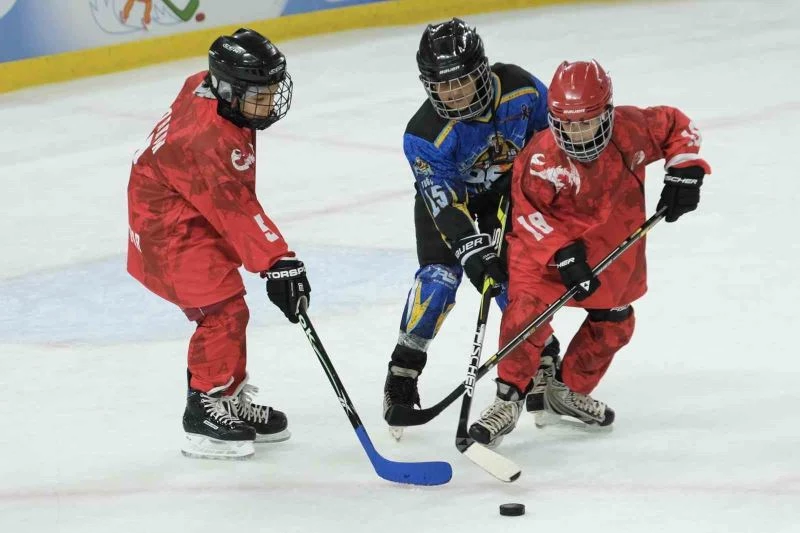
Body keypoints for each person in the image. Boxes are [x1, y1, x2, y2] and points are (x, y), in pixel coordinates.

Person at [468, 59, 711, 446]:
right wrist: (562, 254)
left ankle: (561, 392)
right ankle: (508, 397)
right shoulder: (540, 158)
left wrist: (685, 170)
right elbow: (527, 217)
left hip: (609, 243)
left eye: (587, 122)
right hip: (544, 251)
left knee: (616, 322)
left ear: (608, 112)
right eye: (567, 124)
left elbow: (677, 126)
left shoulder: (633, 130)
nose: (577, 134)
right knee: (525, 314)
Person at [126, 28, 311, 460]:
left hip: (185, 205)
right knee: (222, 309)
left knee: (230, 307)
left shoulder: (208, 89)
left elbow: (227, 197)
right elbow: (235, 207)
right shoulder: (203, 140)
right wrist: (279, 261)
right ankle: (203, 412)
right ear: (228, 88)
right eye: (258, 93)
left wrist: (275, 261)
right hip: (166, 228)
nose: (269, 101)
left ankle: (226, 395)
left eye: (271, 90)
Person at [382, 17, 559, 439]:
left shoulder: (522, 90)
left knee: (516, 284)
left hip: (506, 195)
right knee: (439, 281)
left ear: (482, 70)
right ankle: (402, 374)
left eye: (461, 81)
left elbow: (550, 145)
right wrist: (471, 250)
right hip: (449, 203)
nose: (452, 93)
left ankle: (543, 360)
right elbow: (443, 201)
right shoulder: (424, 134)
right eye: (441, 85)